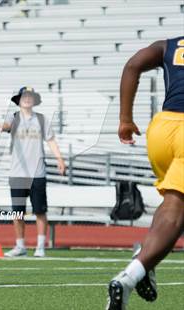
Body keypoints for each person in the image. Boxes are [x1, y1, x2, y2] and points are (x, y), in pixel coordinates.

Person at [106, 36, 184, 309]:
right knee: (177, 207)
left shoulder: (169, 45)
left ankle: (148, 259)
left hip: (162, 129)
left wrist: (125, 119)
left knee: (174, 203)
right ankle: (130, 276)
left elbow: (132, 66)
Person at [0, 87, 66, 257]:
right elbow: (7, 126)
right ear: (18, 100)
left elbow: (51, 141)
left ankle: (40, 247)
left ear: (34, 100)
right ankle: (20, 246)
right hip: (18, 173)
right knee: (18, 212)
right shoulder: (13, 117)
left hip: (37, 173)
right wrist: (1, 126)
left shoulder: (41, 120)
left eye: (30, 96)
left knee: (40, 211)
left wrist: (60, 159)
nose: (27, 99)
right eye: (24, 96)